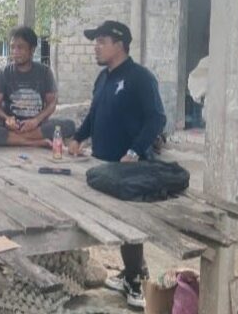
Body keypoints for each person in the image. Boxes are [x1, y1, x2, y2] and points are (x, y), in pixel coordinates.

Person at [69, 20, 166, 309]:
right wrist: (78, 138)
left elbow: (157, 118)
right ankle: (131, 272)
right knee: (113, 222)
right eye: (95, 41)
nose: (95, 47)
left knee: (128, 224)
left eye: (101, 41)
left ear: (120, 44)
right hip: (101, 164)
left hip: (129, 167)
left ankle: (136, 281)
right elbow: (93, 114)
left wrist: (135, 151)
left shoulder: (141, 77)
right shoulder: (103, 78)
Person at [0, 26, 75, 147]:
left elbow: (51, 104)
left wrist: (36, 120)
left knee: (69, 125)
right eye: (12, 47)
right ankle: (34, 142)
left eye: (20, 47)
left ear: (32, 49)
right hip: (11, 126)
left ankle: (16, 139)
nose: (15, 52)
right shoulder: (3, 73)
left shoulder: (45, 72)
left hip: (37, 126)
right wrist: (7, 119)